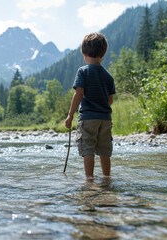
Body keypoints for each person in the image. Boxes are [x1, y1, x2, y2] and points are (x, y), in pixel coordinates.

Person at [64, 33, 116, 181]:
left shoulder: (83, 71)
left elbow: (79, 93)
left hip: (88, 118)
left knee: (88, 149)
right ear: (104, 53)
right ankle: (106, 178)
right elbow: (110, 100)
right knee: (105, 150)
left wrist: (70, 115)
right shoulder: (108, 75)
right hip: (105, 119)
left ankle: (89, 179)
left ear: (83, 53)